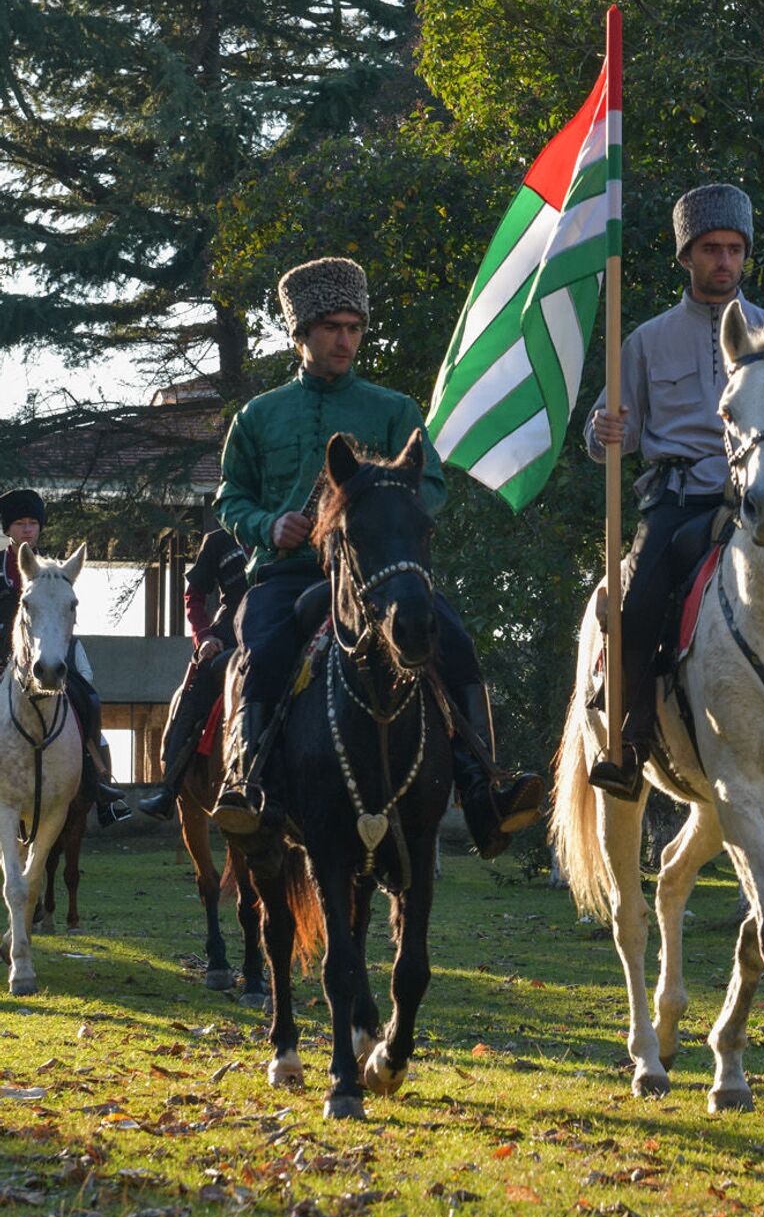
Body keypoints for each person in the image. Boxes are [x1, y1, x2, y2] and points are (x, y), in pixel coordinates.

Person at [210, 256, 542, 856]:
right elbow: (230, 497)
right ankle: (250, 787)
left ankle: (483, 787)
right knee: (260, 651)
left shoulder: (394, 411)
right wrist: (268, 524)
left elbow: (432, 485)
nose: (346, 339)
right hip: (287, 576)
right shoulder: (258, 416)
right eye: (333, 327)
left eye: (355, 328)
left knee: (457, 643)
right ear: (301, 333)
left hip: (380, 577)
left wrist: (382, 506)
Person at [584, 183, 764, 801]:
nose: (724, 261)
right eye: (711, 249)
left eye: (735, 249)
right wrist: (602, 429)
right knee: (637, 608)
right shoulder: (644, 340)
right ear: (686, 256)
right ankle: (630, 737)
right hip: (683, 500)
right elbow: (616, 430)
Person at [0, 487, 130, 822]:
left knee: (89, 698)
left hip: (51, 651)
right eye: (19, 524)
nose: (27, 529)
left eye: (32, 523)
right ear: (8, 530)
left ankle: (101, 785)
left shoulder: (56, 569)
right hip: (3, 659)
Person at [136, 527, 247, 820]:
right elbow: (194, 596)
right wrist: (204, 637)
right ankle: (169, 790)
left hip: (281, 628)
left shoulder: (295, 526)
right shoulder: (219, 541)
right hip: (229, 638)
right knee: (192, 695)